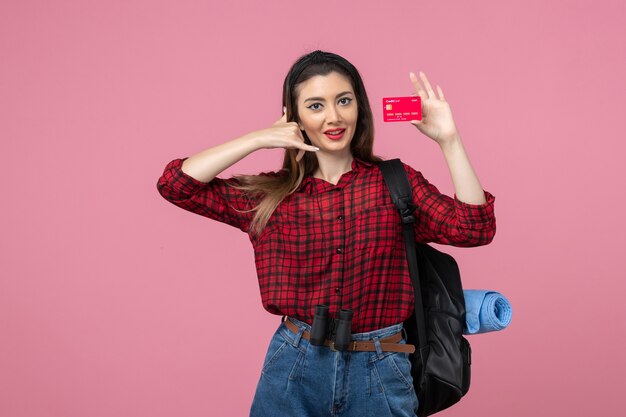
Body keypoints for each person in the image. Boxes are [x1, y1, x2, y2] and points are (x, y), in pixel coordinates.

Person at [156, 50, 496, 417]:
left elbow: (474, 227)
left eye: (343, 101)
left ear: (359, 108)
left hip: (380, 368)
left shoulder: (395, 184)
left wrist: (449, 140)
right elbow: (175, 184)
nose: (333, 117)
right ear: (295, 116)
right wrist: (258, 138)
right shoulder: (272, 197)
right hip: (294, 366)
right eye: (315, 105)